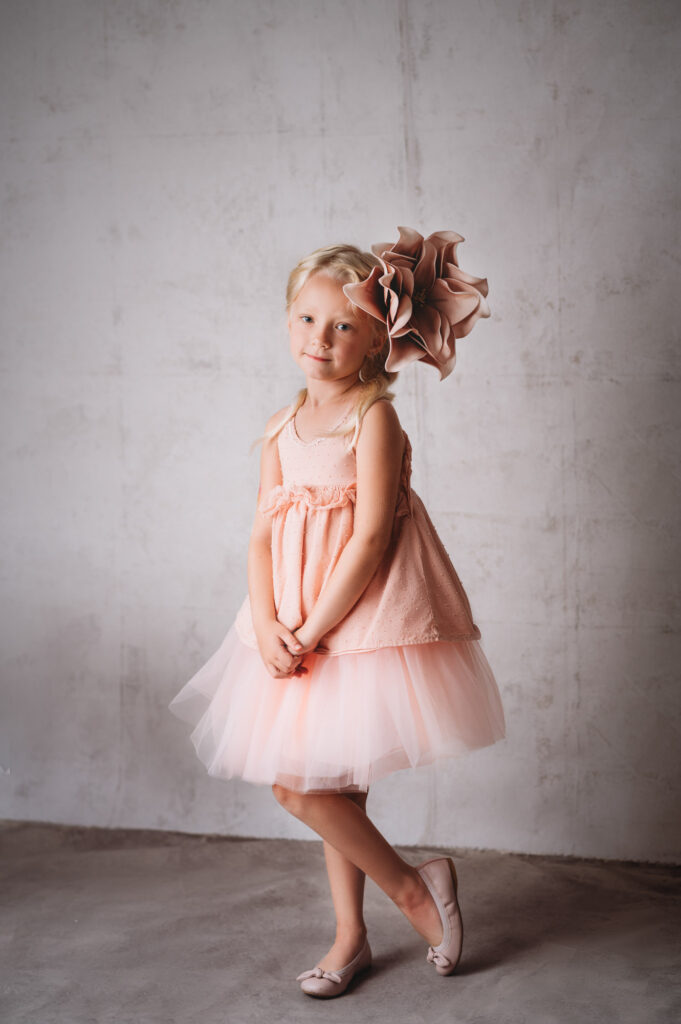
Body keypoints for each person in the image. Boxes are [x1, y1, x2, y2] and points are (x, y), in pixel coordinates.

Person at [169, 227, 506, 999]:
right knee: (327, 789)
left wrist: (313, 629)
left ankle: (416, 891)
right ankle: (350, 937)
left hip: (356, 623)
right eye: (306, 319)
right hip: (288, 623)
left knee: (305, 787)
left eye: (344, 325)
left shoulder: (372, 420)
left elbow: (369, 538)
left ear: (377, 341)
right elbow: (257, 537)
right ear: (287, 321)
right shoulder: (279, 429)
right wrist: (266, 627)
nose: (321, 338)